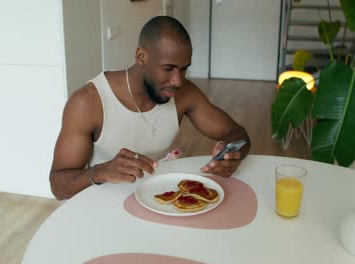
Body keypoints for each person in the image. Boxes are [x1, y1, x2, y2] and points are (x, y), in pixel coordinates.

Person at [49, 16, 250, 200]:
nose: (178, 81)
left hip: (160, 198)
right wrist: (103, 171)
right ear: (141, 56)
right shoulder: (89, 102)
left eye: (184, 68)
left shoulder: (184, 93)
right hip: (105, 205)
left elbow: (237, 133)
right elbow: (58, 186)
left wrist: (231, 155)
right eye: (168, 68)